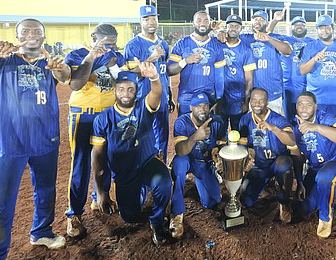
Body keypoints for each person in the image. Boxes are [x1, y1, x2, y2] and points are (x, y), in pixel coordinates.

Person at [0, 18, 71, 260]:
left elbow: (65, 78)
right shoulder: (3, 60)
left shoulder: (49, 62)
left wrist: (59, 69)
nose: (31, 35)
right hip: (9, 142)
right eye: (25, 32)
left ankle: (41, 231)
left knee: (46, 190)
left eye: (36, 32)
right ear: (16, 35)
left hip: (45, 140)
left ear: (43, 36)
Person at [90, 65, 172, 246]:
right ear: (115, 90)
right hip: (124, 172)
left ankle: (157, 221)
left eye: (130, 89)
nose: (125, 93)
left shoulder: (143, 106)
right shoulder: (103, 118)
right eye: (121, 89)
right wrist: (101, 192)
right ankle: (142, 188)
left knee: (164, 181)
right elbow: (97, 157)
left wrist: (154, 78)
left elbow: (156, 94)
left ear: (136, 91)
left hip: (147, 163)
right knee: (129, 216)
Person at [64, 23, 125, 238]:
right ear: (93, 38)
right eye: (105, 43)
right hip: (84, 114)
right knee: (80, 163)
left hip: (108, 114)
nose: (109, 48)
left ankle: (100, 197)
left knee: (106, 159)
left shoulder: (117, 56)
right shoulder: (77, 54)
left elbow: (121, 81)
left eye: (113, 43)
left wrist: (116, 65)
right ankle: (74, 214)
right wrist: (94, 57)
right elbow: (76, 84)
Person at [291, 91, 336, 238]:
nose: (304, 108)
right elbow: (297, 158)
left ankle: (325, 217)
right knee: (305, 208)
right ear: (296, 107)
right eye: (301, 104)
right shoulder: (294, 126)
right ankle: (326, 193)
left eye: (308, 105)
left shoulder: (325, 118)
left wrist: (317, 127)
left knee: (325, 177)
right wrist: (300, 182)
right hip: (315, 168)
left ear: (315, 107)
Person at [169, 93, 226, 239]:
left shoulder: (217, 122)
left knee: (212, 202)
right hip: (188, 159)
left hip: (204, 163)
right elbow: (180, 151)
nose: (202, 109)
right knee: (179, 164)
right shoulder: (182, 122)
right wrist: (195, 136)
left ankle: (202, 181)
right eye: (198, 106)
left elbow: (221, 145)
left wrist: (218, 156)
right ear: (191, 108)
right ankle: (176, 213)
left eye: (205, 106)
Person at [237, 88, 297, 223]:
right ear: (250, 101)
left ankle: (284, 201)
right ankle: (265, 181)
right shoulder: (245, 120)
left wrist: (273, 128)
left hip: (278, 162)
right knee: (246, 200)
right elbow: (243, 146)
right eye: (254, 100)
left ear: (267, 102)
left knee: (285, 166)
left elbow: (291, 140)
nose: (257, 104)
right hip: (260, 165)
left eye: (261, 100)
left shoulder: (277, 119)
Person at [124, 5, 175, 161]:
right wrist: (151, 58)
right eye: (146, 19)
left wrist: (170, 93)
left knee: (163, 137)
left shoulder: (163, 44)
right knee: (144, 139)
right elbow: (130, 73)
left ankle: (162, 170)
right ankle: (145, 179)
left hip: (163, 97)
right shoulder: (133, 45)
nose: (151, 22)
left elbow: (165, 71)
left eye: (154, 18)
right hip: (143, 100)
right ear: (140, 21)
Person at [167, 10, 226, 115]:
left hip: (208, 98)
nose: (202, 23)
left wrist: (219, 99)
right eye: (199, 20)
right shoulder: (182, 44)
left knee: (208, 130)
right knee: (185, 129)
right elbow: (169, 70)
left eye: (205, 20)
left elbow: (219, 77)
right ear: (193, 23)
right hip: (186, 98)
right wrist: (185, 61)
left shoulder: (217, 45)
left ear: (210, 23)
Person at [299, 14, 336, 120]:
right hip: (316, 99)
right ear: (317, 30)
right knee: (316, 131)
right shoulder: (310, 47)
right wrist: (314, 59)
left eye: (326, 27)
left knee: (335, 130)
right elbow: (302, 70)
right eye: (320, 28)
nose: (323, 30)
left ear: (332, 28)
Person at [266, 10, 314, 121]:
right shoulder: (286, 39)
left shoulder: (312, 42)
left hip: (307, 86)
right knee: (290, 118)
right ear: (292, 27)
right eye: (296, 25)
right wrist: (275, 20)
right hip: (288, 86)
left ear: (306, 27)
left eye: (302, 25)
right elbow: (268, 35)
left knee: (307, 118)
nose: (299, 27)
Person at [242, 10, 293, 115]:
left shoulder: (275, 37)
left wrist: (269, 38)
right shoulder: (246, 38)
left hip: (272, 91)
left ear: (266, 23)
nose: (258, 21)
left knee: (274, 124)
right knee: (256, 126)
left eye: (261, 20)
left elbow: (288, 50)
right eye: (255, 19)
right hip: (254, 93)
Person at [218, 14, 255, 130]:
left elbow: (249, 79)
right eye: (231, 25)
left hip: (237, 99)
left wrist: (246, 101)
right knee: (219, 134)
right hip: (219, 98)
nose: (233, 28)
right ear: (226, 27)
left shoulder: (246, 50)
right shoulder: (218, 44)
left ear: (241, 29)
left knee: (238, 134)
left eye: (236, 26)